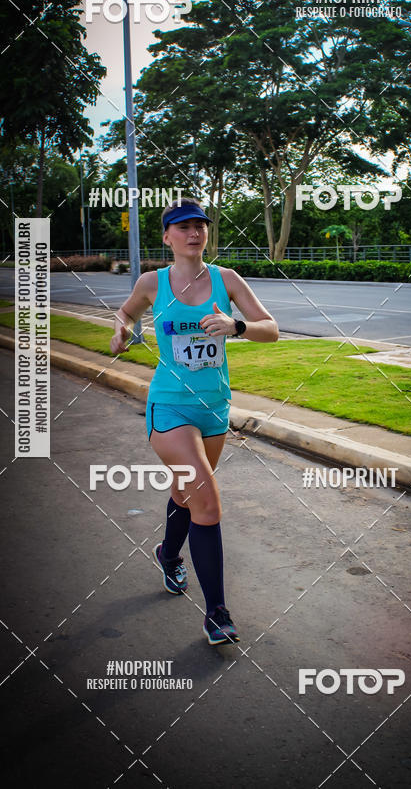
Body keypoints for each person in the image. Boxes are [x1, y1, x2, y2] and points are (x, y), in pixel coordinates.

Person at [110, 198, 279, 645]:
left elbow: (272, 328)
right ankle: (217, 614)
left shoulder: (227, 280)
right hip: (169, 407)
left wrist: (236, 326)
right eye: (183, 227)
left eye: (200, 225)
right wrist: (121, 329)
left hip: (214, 408)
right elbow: (127, 311)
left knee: (186, 494)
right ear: (167, 237)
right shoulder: (152, 282)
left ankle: (168, 554)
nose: (194, 232)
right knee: (206, 501)